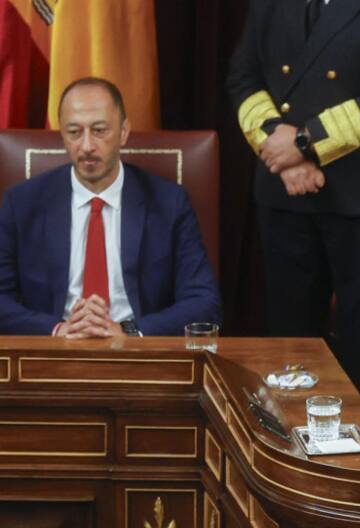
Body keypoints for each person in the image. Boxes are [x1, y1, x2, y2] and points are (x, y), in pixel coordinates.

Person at [226, 0, 360, 426]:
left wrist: (303, 144)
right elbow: (243, 76)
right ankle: (291, 456)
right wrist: (278, 148)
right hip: (285, 194)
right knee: (290, 341)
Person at [0, 77, 221, 337]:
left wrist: (129, 331)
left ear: (124, 132)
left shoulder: (168, 202)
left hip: (136, 350)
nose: (86, 146)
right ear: (62, 134)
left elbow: (204, 302)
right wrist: (57, 329)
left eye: (99, 130)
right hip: (57, 349)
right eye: (74, 132)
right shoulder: (23, 203)